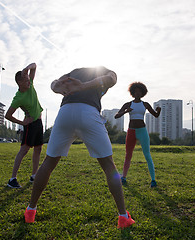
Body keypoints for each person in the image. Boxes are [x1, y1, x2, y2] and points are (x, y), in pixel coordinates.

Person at [24, 66, 135, 229]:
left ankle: (30, 211)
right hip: (88, 112)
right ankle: (123, 217)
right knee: (109, 166)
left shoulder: (72, 73)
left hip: (65, 113)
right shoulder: (103, 70)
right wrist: (84, 86)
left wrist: (59, 87)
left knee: (48, 163)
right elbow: (112, 79)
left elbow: (54, 83)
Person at [114, 82, 161, 188]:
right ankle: (123, 178)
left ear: (143, 93)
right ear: (132, 92)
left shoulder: (145, 104)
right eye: (135, 91)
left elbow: (156, 115)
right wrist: (126, 111)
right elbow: (116, 116)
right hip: (131, 131)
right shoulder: (128, 104)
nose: (137, 93)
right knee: (128, 155)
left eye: (140, 91)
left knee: (147, 155)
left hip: (142, 131)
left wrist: (159, 110)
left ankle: (153, 180)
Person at [5, 63, 43, 188]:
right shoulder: (18, 98)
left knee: (38, 149)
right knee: (24, 150)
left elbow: (34, 66)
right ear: (19, 83)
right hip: (30, 124)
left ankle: (34, 176)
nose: (29, 81)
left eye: (28, 79)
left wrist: (26, 69)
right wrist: (22, 123)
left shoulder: (30, 84)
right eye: (26, 80)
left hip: (39, 122)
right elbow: (8, 115)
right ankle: (12, 179)